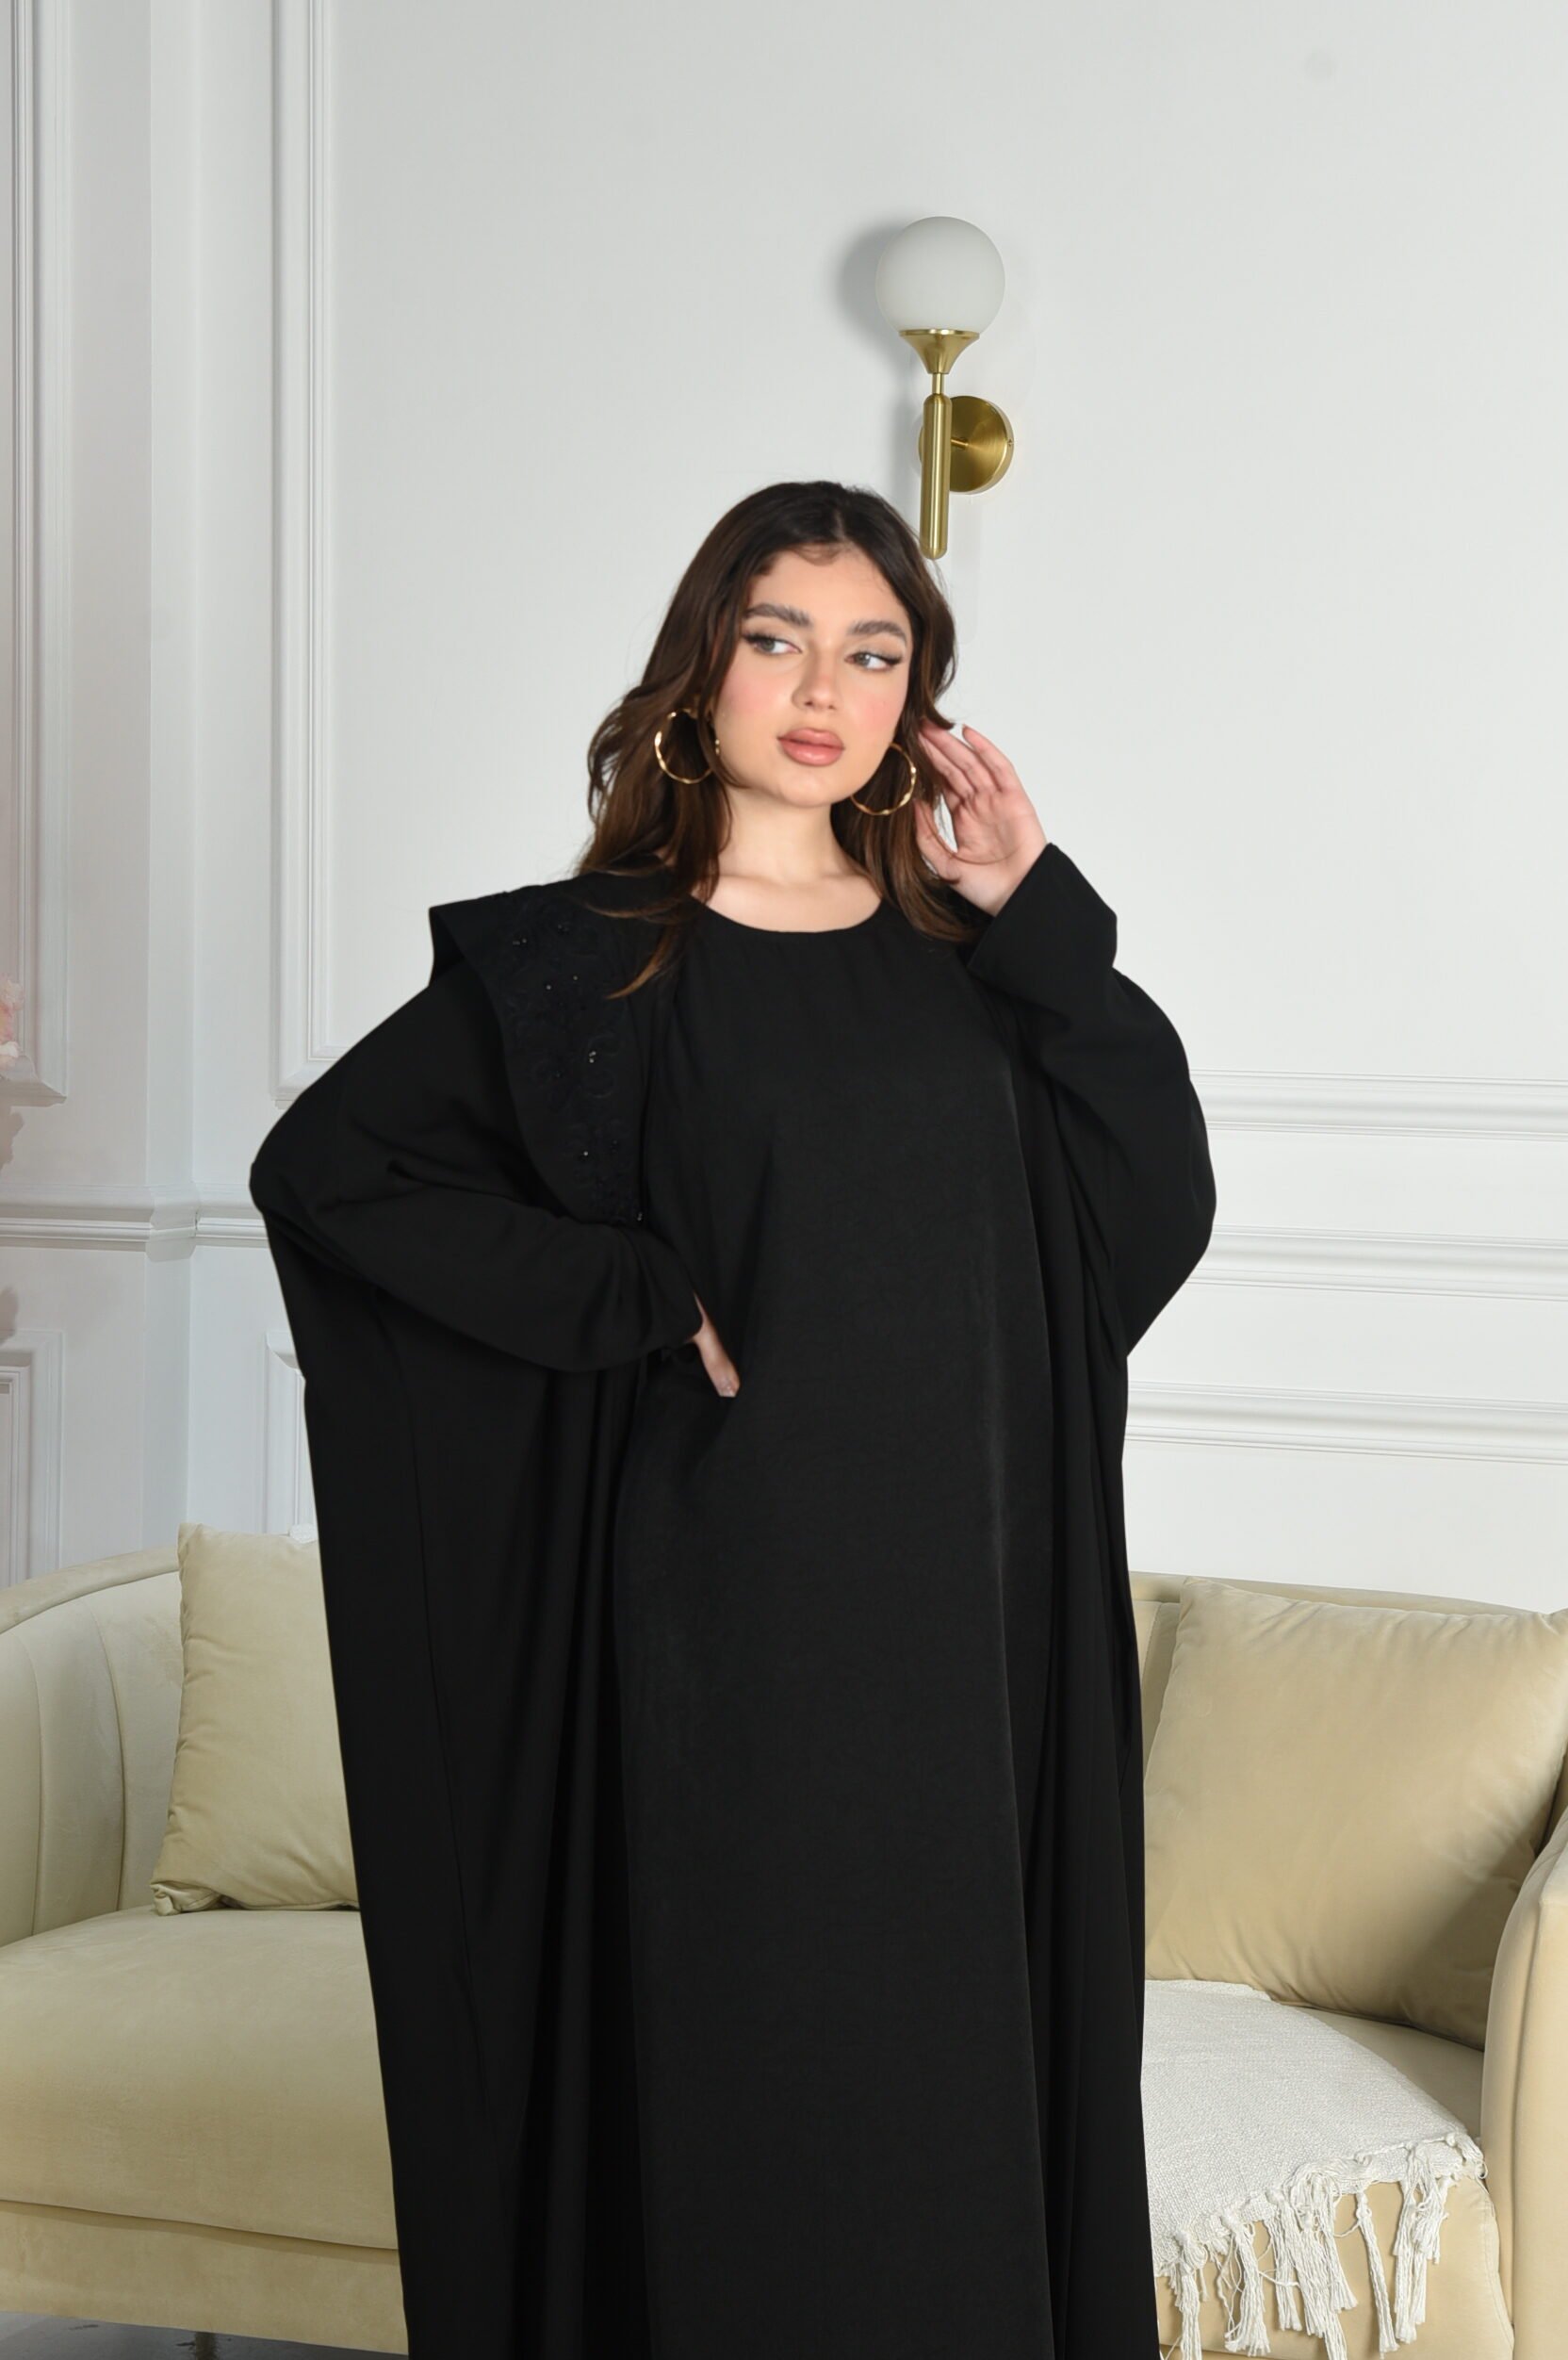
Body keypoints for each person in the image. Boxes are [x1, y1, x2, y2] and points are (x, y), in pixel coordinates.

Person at [249, 479, 1217, 2360]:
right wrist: (625, 1292)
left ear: (918, 696)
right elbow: (330, 1172)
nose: (822, 689)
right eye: (779, 638)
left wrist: (1038, 908)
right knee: (748, 2108)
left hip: (967, 1654)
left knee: (951, 2101)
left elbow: (1146, 1206)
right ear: (703, 669)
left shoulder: (975, 964)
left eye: (874, 652)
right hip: (723, 1641)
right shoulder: (589, 966)